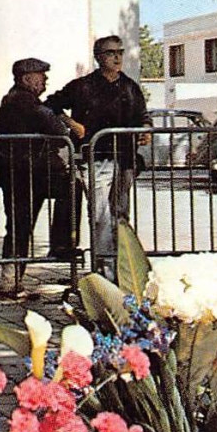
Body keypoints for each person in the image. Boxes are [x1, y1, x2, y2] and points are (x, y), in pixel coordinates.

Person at [46, 35, 150, 277]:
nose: (117, 58)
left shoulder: (130, 87)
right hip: (95, 159)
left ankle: (124, 270)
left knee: (121, 215)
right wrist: (72, 124)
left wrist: (145, 131)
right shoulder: (82, 86)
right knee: (102, 217)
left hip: (124, 159)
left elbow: (142, 116)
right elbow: (52, 104)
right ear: (99, 57)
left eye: (120, 52)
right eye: (111, 53)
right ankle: (105, 271)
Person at [0, 57, 77, 300]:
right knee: (21, 225)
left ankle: (12, 282)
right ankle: (59, 247)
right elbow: (58, 130)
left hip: (21, 172)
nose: (45, 79)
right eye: (41, 75)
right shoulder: (24, 102)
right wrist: (64, 122)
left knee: (19, 226)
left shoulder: (15, 100)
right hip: (26, 173)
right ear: (27, 79)